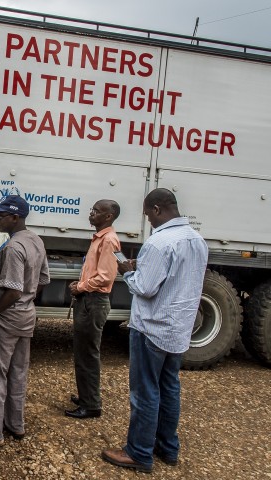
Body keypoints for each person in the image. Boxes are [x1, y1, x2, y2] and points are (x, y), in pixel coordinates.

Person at [102, 188, 208, 473]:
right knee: (170, 387)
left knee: (145, 392)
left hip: (152, 327)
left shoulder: (159, 242)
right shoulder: (197, 240)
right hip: (178, 328)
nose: (148, 219)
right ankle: (167, 448)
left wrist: (128, 271)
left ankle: (138, 453)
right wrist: (142, 268)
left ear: (158, 209)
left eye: (148, 213)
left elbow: (144, 288)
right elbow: (177, 276)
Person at [0, 195, 49, 446]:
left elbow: (12, 291)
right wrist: (27, 299)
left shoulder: (14, 247)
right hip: (26, 317)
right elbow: (43, 280)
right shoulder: (35, 240)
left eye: (1, 215)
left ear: (15, 217)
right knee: (17, 373)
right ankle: (15, 425)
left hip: (7, 319)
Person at [66, 199, 121, 419]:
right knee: (83, 352)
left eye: (96, 211)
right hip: (89, 300)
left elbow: (105, 276)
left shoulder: (108, 240)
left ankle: (91, 405)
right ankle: (87, 396)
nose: (91, 214)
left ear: (108, 216)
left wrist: (79, 287)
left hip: (94, 301)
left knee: (88, 353)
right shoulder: (100, 238)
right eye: (92, 210)